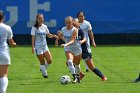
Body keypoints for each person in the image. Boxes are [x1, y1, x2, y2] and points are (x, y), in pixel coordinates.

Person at [77, 11, 107, 81]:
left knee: (91, 67)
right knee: (70, 62)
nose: (81, 17)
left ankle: (103, 77)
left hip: (85, 47)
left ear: (84, 17)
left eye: (82, 16)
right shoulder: (74, 25)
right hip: (76, 48)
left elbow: (90, 33)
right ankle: (80, 74)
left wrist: (93, 41)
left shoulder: (87, 24)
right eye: (79, 16)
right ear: (77, 17)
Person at [31, 14, 57, 78]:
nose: (40, 20)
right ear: (37, 19)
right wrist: (33, 47)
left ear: (43, 19)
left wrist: (53, 36)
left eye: (41, 18)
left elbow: (48, 35)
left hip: (45, 46)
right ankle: (45, 74)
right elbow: (33, 38)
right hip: (38, 47)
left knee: (50, 60)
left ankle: (42, 68)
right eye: (39, 18)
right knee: (42, 61)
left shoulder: (45, 27)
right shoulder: (34, 27)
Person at [57, 16, 82, 83]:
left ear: (72, 22)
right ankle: (74, 77)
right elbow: (61, 34)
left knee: (77, 65)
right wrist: (57, 39)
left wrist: (65, 44)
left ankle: (78, 77)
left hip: (76, 48)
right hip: (68, 48)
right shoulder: (63, 29)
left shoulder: (75, 29)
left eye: (70, 23)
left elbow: (73, 40)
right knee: (70, 62)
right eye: (67, 23)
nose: (68, 24)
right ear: (65, 23)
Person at [0, 11, 16, 93]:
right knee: (3, 75)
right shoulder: (7, 28)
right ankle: (3, 91)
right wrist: (14, 44)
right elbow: (11, 42)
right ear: (3, 18)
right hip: (3, 52)